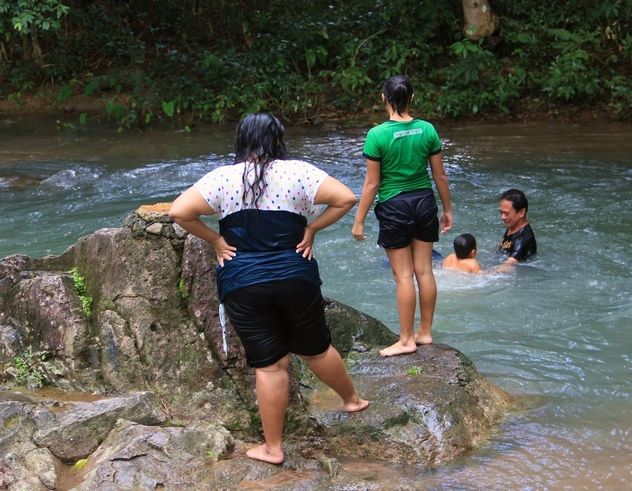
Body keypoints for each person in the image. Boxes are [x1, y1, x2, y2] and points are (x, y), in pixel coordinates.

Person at [169, 111, 368, 466]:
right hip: (295, 275)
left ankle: (273, 448)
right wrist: (312, 230)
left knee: (271, 366)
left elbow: (179, 211)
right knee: (317, 350)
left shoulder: (222, 178)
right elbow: (346, 198)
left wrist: (216, 240)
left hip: (243, 281)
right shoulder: (299, 172)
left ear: (241, 140)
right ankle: (351, 400)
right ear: (278, 139)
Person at [352, 75, 453, 357]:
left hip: (395, 206)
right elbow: (440, 176)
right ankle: (425, 331)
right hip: (423, 202)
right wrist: (447, 209)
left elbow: (372, 183)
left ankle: (406, 339)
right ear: (412, 98)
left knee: (404, 276)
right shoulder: (427, 130)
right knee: (425, 270)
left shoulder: (377, 135)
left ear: (383, 99)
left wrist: (359, 219)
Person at [497, 188, 537, 269]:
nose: (502, 217)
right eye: (501, 212)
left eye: (506, 213)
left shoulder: (524, 239)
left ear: (521, 212)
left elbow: (506, 267)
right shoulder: (512, 225)